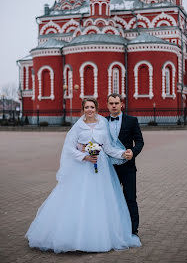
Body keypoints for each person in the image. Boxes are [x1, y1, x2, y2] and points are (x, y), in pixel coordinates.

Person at [25, 98, 141, 253]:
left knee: (99, 200)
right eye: (86, 107)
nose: (89, 110)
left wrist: (123, 153)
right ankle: (74, 236)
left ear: (97, 108)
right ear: (83, 109)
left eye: (92, 107)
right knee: (79, 199)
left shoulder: (102, 125)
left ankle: (99, 234)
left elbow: (108, 148)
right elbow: (68, 148)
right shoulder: (78, 127)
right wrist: (84, 156)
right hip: (82, 167)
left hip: (101, 169)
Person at [106, 94, 144, 236]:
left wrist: (133, 152)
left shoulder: (132, 121)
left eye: (116, 103)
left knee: (130, 198)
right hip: (109, 168)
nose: (114, 106)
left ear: (122, 104)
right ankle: (113, 228)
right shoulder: (102, 122)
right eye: (111, 103)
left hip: (128, 167)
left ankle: (133, 230)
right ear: (107, 105)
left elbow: (140, 141)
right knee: (111, 198)